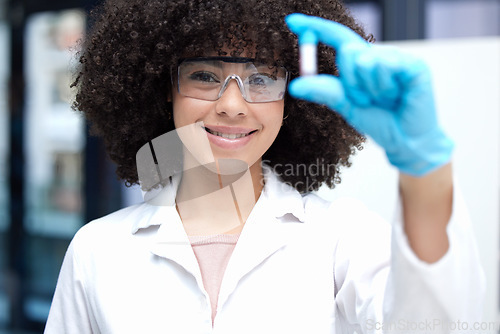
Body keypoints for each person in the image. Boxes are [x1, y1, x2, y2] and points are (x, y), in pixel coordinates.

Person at [44, 0, 485, 333]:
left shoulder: (339, 239)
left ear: (290, 95)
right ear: (165, 88)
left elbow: (438, 323)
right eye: (204, 76)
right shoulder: (98, 251)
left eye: (261, 78)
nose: (232, 106)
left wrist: (424, 168)